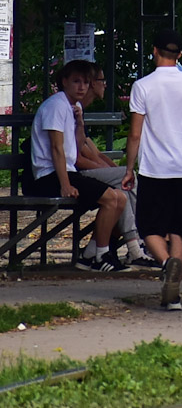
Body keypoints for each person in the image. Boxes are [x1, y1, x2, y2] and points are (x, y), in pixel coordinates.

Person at [122, 29, 182, 311]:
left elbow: (135, 135)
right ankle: (173, 297)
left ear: (154, 51)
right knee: (177, 231)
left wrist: (129, 169)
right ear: (180, 55)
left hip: (154, 170)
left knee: (148, 227)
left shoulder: (143, 86)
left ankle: (166, 264)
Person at [27, 60, 128, 271]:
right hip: (49, 176)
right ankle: (100, 256)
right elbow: (57, 148)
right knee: (111, 199)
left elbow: (78, 142)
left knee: (120, 197)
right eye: (76, 81)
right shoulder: (56, 105)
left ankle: (91, 253)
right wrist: (65, 184)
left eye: (85, 82)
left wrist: (80, 122)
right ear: (64, 82)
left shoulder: (73, 106)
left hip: (69, 172)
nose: (81, 87)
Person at [73, 66, 154, 266]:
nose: (105, 85)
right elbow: (77, 158)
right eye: (101, 80)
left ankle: (95, 250)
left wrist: (112, 170)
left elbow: (94, 152)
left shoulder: (79, 111)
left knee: (123, 188)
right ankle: (137, 245)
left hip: (88, 172)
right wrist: (116, 172)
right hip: (72, 176)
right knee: (125, 183)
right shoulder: (72, 110)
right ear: (92, 84)